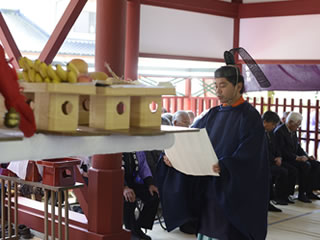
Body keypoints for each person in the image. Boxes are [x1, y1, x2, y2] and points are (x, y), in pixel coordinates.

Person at [192, 66, 269, 240]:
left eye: (223, 85)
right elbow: (194, 137)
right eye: (216, 85)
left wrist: (226, 164)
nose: (218, 91)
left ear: (238, 86)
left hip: (234, 188)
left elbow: (251, 153)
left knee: (229, 232)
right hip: (210, 185)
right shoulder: (212, 114)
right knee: (207, 230)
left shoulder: (249, 116)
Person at [156, 111, 199, 235]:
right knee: (180, 188)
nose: (188, 126)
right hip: (171, 175)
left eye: (189, 123)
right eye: (185, 123)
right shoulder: (168, 135)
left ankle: (194, 220)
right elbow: (163, 156)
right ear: (175, 123)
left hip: (188, 171)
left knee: (196, 184)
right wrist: (168, 159)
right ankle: (184, 222)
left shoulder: (189, 135)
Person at [274, 112, 320, 203]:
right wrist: (297, 158)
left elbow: (298, 147)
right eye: (297, 125)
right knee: (305, 165)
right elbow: (282, 151)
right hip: (286, 159)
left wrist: (306, 156)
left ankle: (309, 191)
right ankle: (301, 193)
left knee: (315, 164)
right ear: (290, 122)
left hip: (293, 157)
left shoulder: (293, 130)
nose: (298, 127)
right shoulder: (280, 131)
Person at [262, 111, 298, 211]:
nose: (273, 127)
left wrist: (279, 157)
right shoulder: (258, 133)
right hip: (264, 162)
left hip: (272, 161)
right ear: (265, 122)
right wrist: (273, 159)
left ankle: (283, 196)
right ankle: (275, 199)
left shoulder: (271, 133)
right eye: (272, 124)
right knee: (274, 173)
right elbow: (263, 150)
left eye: (275, 125)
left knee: (287, 170)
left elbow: (277, 148)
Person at [122, 152, 159, 240]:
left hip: (133, 182)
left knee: (153, 196)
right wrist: (124, 187)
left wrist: (150, 183)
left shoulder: (137, 147)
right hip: (116, 183)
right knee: (129, 199)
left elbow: (143, 166)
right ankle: (131, 232)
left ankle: (137, 227)